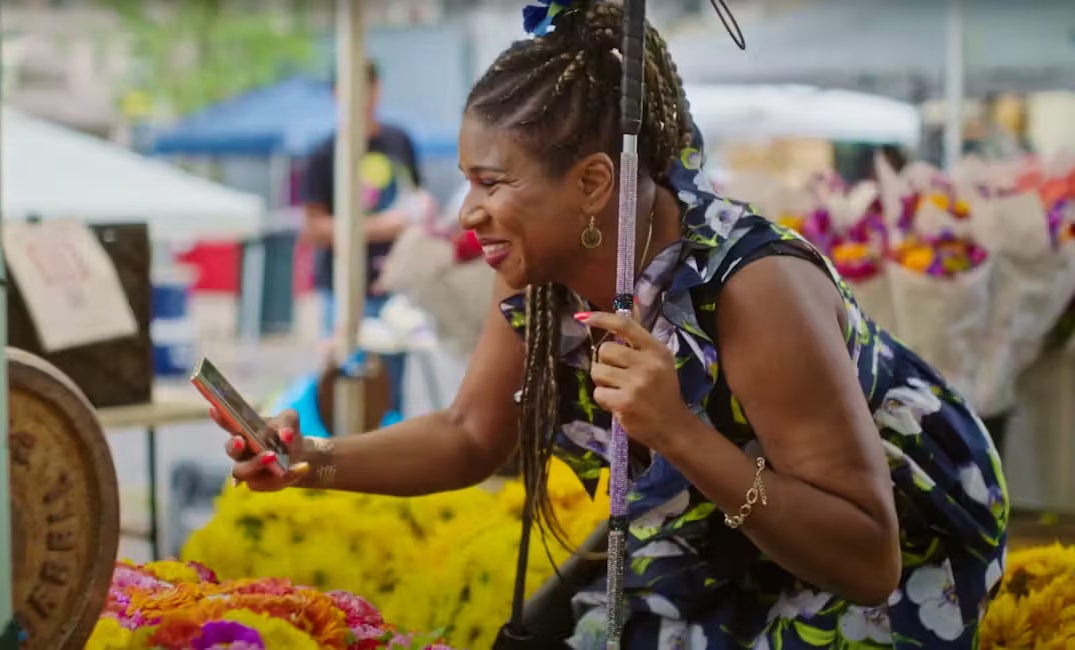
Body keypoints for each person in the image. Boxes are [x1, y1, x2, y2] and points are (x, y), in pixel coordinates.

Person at [221, 3, 1008, 648]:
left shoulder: (755, 287)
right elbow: (469, 434)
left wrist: (680, 435)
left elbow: (868, 560)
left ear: (595, 181)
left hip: (900, 552)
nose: (468, 213)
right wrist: (308, 459)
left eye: (492, 182)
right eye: (466, 182)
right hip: (728, 532)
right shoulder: (535, 270)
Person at [295, 60, 422, 416]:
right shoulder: (323, 153)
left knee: (391, 388)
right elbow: (314, 229)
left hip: (394, 286)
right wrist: (382, 225)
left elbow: (416, 201)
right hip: (344, 289)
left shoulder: (398, 141)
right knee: (344, 384)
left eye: (368, 87)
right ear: (338, 93)